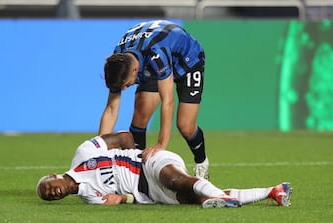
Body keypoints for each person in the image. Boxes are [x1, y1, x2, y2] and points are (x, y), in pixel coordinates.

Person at [37, 131, 292, 208]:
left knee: (176, 181)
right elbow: (123, 199)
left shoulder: (84, 154)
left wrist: (139, 151)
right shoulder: (89, 198)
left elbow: (122, 137)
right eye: (49, 197)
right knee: (197, 199)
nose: (52, 193)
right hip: (149, 194)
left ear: (52, 176)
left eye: (47, 189)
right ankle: (274, 191)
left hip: (148, 164)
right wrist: (123, 198)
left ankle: (221, 198)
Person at [99, 20, 209, 179]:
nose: (123, 89)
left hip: (188, 61)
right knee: (139, 116)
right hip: (150, 63)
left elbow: (168, 101)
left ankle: (201, 162)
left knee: (185, 125)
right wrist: (99, 151)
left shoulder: (157, 54)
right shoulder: (119, 60)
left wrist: (161, 144)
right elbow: (111, 109)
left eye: (125, 85)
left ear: (135, 70)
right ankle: (137, 176)